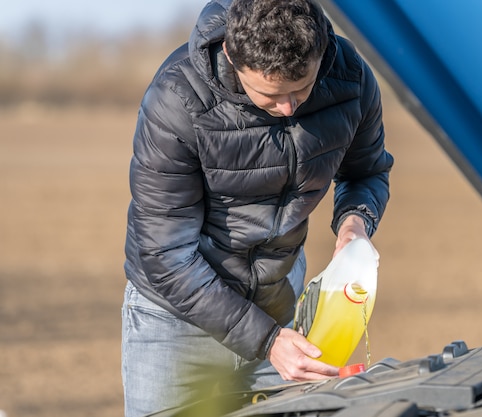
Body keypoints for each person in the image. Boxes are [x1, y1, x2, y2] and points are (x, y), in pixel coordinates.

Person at [121, 0, 393, 415]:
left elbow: (366, 172)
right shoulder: (176, 99)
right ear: (231, 54)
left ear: (321, 50)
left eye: (302, 88)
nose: (289, 108)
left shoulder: (350, 77)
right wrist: (267, 341)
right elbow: (165, 254)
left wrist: (355, 226)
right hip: (175, 326)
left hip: (283, 309)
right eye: (271, 94)